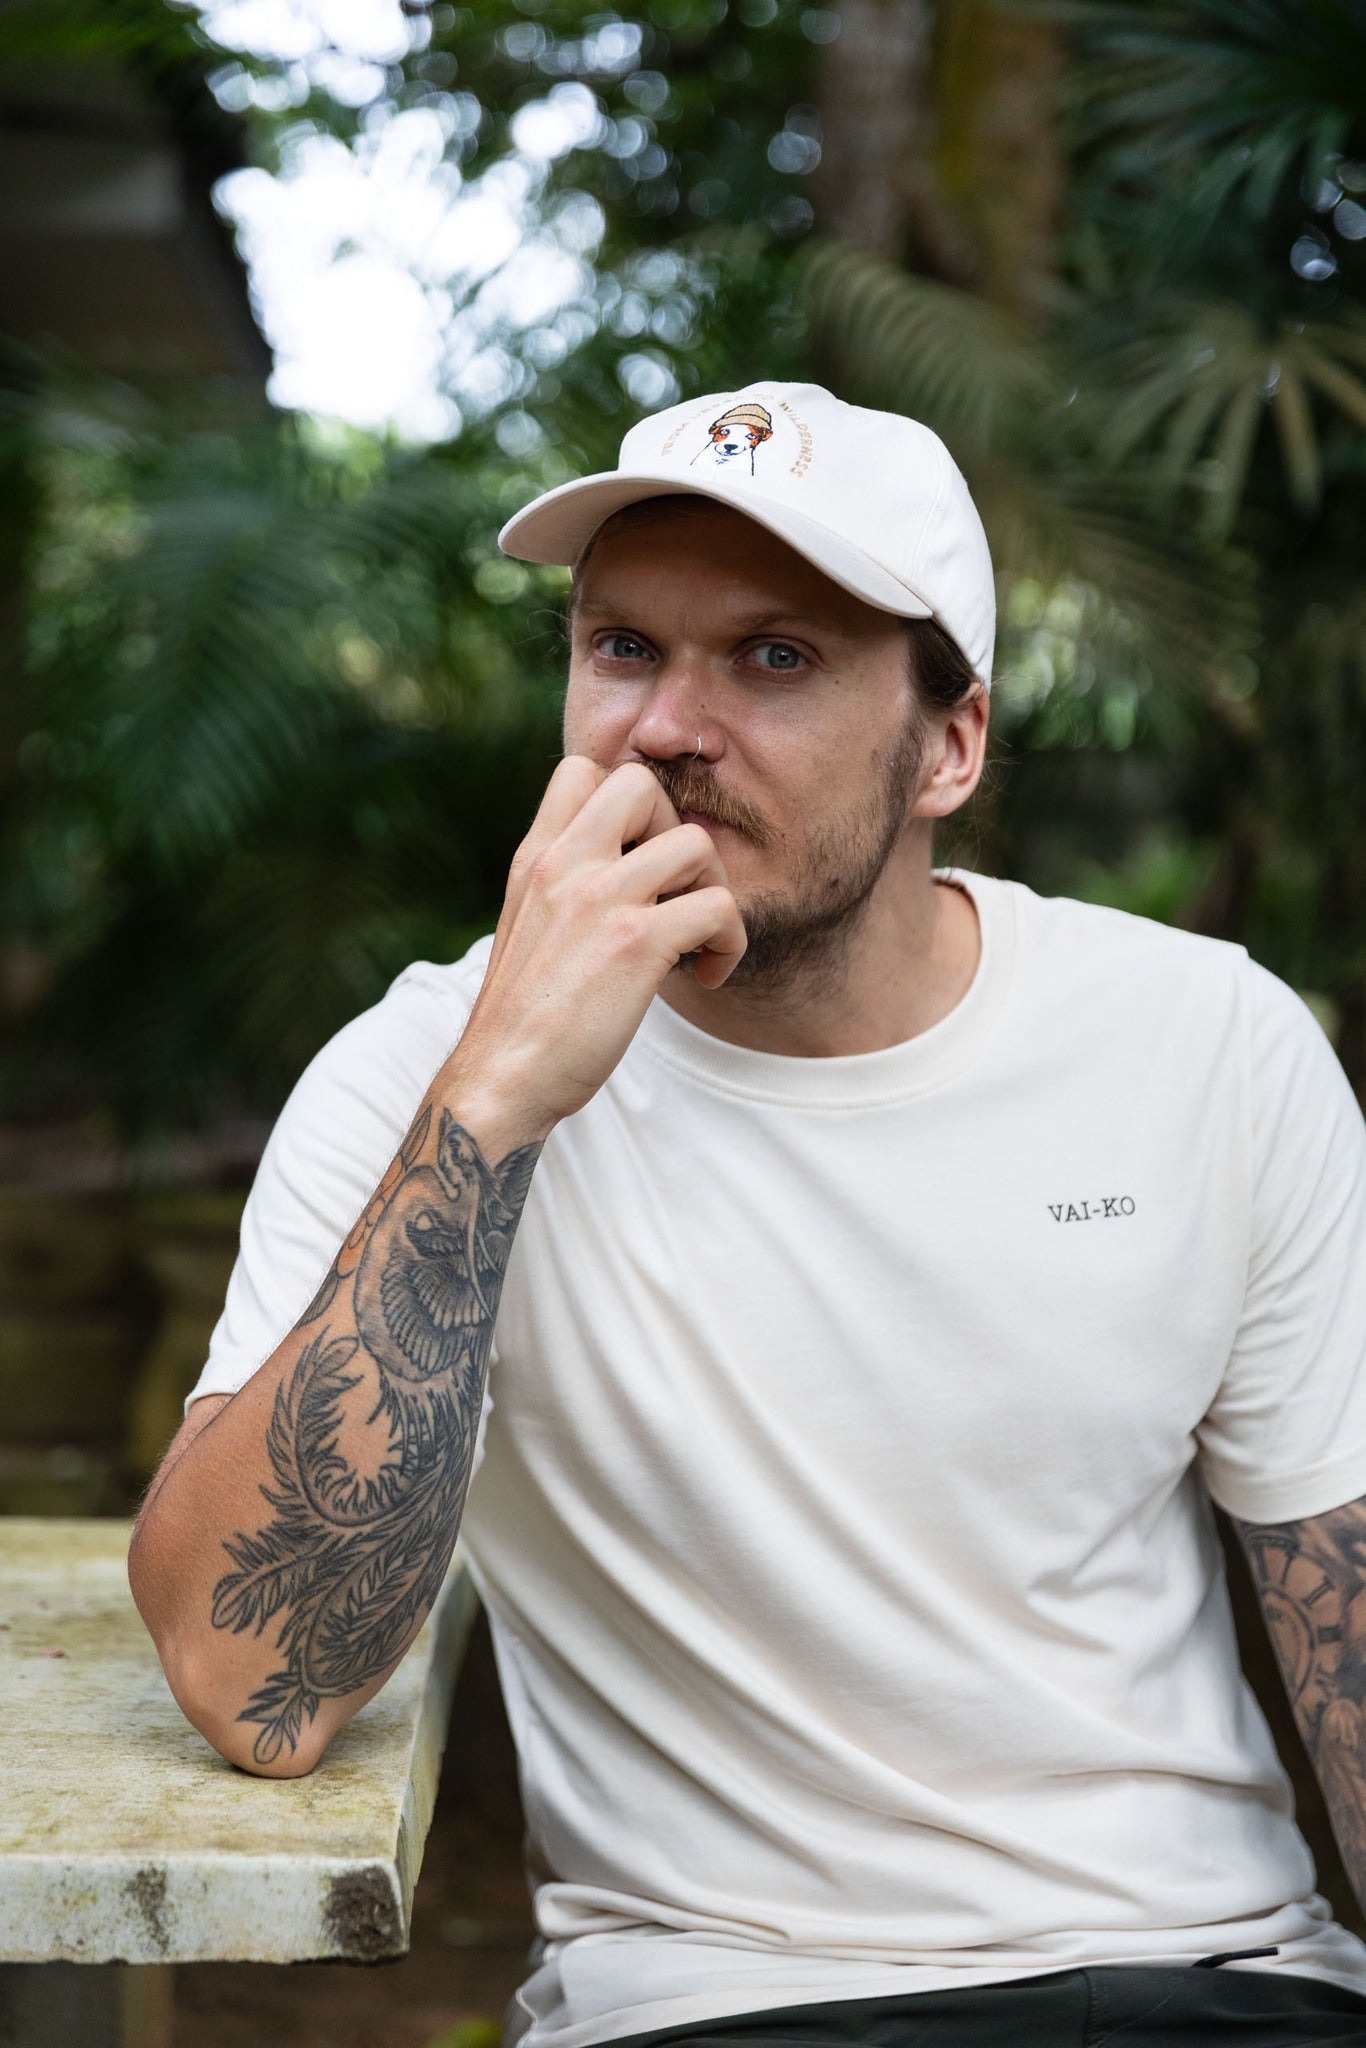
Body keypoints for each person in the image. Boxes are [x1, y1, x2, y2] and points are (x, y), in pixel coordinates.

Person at [130, 384, 1366, 2048]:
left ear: (949, 745)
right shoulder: (420, 1076)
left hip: (1210, 1981)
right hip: (714, 2002)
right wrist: (495, 1099)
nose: (663, 726)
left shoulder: (1205, 1043)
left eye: (773, 658)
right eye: (621, 648)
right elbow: (246, 1684)